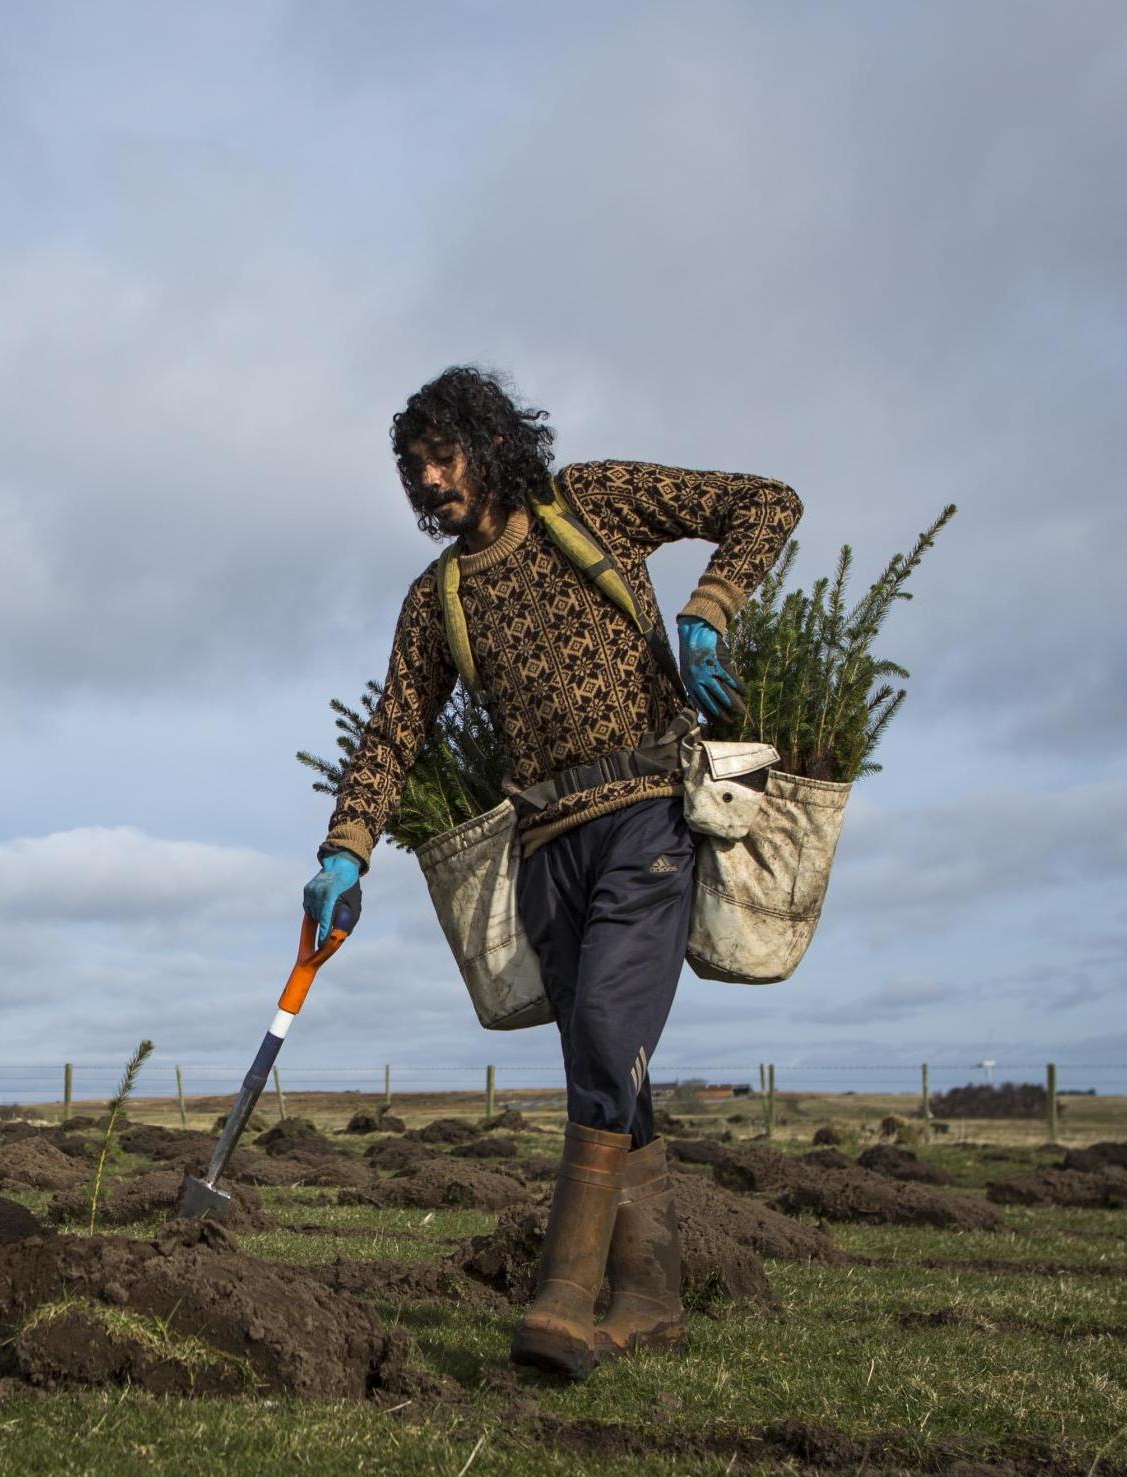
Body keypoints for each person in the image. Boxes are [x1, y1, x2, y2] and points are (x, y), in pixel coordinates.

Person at [305, 366, 801, 1378]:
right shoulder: (436, 597)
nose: (428, 480)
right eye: (413, 468)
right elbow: (393, 730)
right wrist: (342, 849)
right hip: (543, 847)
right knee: (601, 1053)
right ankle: (653, 1297)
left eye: (443, 457)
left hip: (646, 816)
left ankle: (566, 1294)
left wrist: (708, 608)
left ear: (490, 447)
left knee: (609, 1034)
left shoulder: (591, 500)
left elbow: (763, 503)